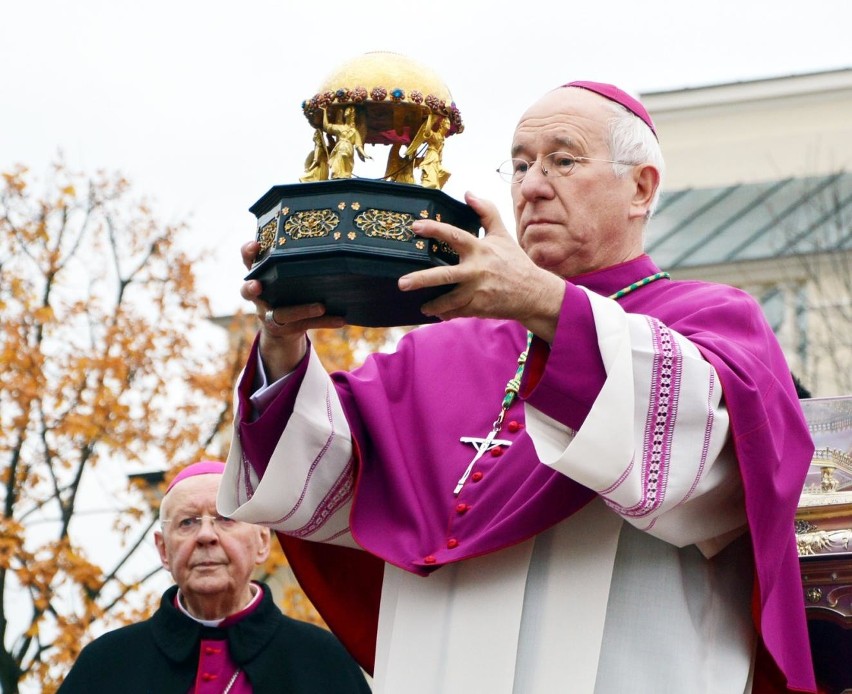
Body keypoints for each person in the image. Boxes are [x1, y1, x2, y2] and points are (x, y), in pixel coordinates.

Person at [220, 82, 817, 693]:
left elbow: (712, 465)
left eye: (562, 160)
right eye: (522, 163)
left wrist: (544, 302)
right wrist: (282, 345)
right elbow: (319, 480)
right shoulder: (438, 348)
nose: (531, 186)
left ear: (640, 188)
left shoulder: (713, 318)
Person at [59, 460, 370, 694]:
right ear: (163, 550)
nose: (206, 536)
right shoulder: (107, 663)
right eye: (187, 523)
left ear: (262, 541)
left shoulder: (320, 658)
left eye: (225, 519)